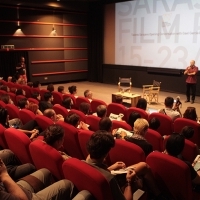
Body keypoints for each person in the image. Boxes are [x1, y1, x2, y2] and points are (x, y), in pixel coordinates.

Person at [86, 130, 169, 200]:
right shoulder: (109, 179)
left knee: (143, 165)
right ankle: (158, 195)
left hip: (102, 186)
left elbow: (96, 169)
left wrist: (111, 168)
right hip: (118, 189)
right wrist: (128, 181)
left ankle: (158, 195)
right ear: (105, 154)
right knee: (142, 171)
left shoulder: (84, 161)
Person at [0, 159, 75, 200]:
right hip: (25, 197)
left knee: (45, 172)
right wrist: (4, 174)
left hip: (7, 187)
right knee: (67, 184)